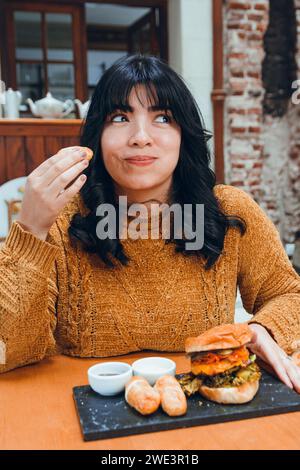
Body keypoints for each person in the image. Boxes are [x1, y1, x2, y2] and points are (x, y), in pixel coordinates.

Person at [0, 55, 300, 393]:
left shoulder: (229, 209)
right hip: (79, 415)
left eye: (162, 117)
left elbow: (289, 294)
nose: (140, 137)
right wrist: (30, 229)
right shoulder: (60, 219)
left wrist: (263, 329)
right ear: (96, 136)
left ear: (183, 134)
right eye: (120, 117)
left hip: (200, 409)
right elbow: (9, 351)